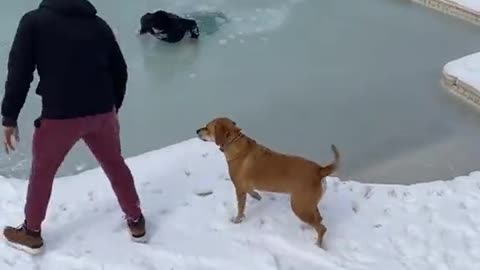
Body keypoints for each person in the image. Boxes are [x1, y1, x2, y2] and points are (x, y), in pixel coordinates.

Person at [1, 0, 146, 255]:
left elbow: (20, 73)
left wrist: (9, 117)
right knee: (115, 164)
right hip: (102, 113)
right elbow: (120, 71)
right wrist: (114, 109)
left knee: (43, 173)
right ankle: (136, 221)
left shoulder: (34, 21)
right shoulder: (98, 25)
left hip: (60, 117)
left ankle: (31, 233)